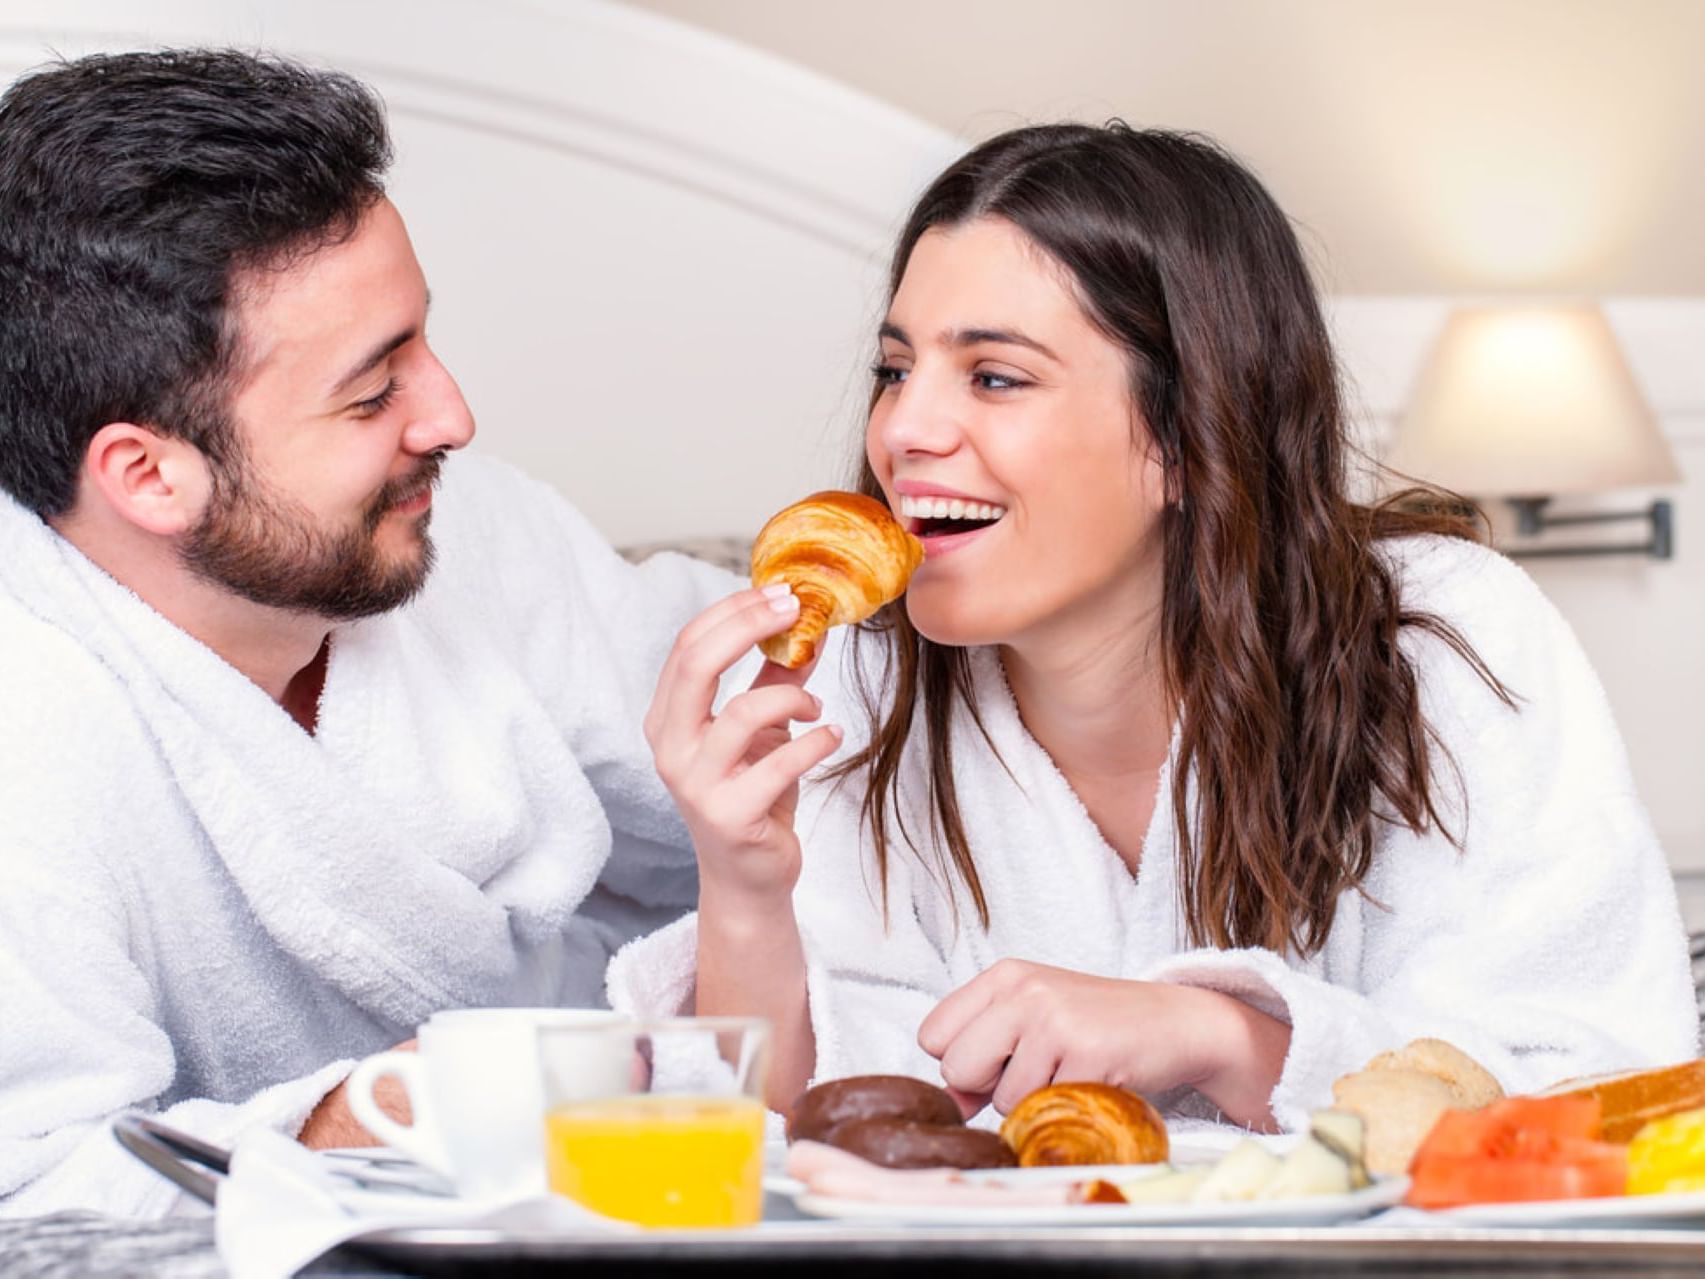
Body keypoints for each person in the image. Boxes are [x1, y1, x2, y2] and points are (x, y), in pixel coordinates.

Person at [611, 123, 1700, 1133]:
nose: (904, 429)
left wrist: (1222, 1035)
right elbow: (789, 1128)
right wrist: (744, 888)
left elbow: (1591, 1082)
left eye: (993, 376)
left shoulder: (1436, 636)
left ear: (1186, 438)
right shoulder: (862, 671)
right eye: (895, 370)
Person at [0, 50, 737, 1215]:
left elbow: (814, 763)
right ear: (146, 473)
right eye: (371, 390)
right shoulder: (26, 734)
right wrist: (350, 1128)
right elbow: (37, 1188)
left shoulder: (477, 535)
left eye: (422, 344)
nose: (451, 415)